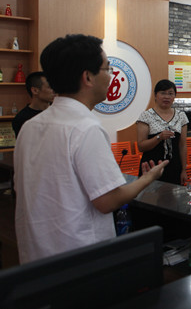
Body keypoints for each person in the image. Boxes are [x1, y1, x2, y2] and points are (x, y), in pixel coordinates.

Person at [14, 34, 167, 264]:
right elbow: (108, 201)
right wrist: (148, 178)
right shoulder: (85, 128)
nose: (111, 76)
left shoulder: (30, 126)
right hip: (79, 258)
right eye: (107, 69)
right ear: (87, 77)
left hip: (35, 256)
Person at [136, 80, 189, 185]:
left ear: (174, 96)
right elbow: (141, 146)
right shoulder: (146, 116)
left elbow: (182, 146)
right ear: (155, 95)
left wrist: (184, 169)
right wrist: (159, 137)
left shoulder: (181, 116)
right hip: (151, 167)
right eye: (163, 93)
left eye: (170, 93)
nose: (167, 97)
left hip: (174, 167)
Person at [12, 71, 55, 137]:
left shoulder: (57, 113)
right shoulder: (21, 118)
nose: (54, 91)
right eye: (50, 87)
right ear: (35, 90)